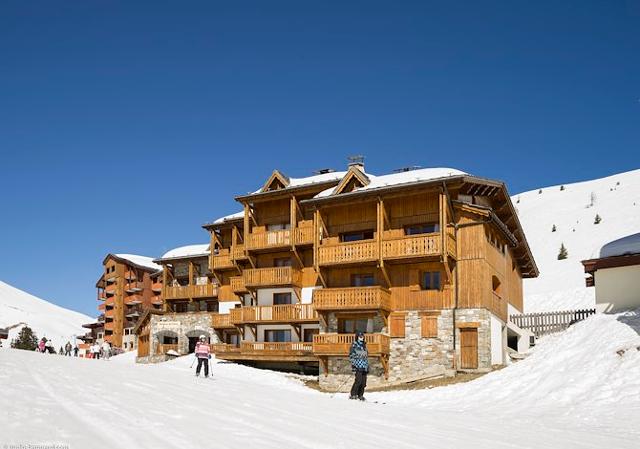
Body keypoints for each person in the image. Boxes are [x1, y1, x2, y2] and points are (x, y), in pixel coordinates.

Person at [349, 331, 369, 401]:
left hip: (364, 366)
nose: (362, 338)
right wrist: (354, 365)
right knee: (358, 381)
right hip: (358, 365)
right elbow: (352, 355)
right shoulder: (354, 344)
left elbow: (366, 356)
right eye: (360, 336)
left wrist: (367, 366)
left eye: (362, 336)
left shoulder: (364, 345)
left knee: (363, 383)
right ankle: (353, 394)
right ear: (357, 337)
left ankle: (360, 395)